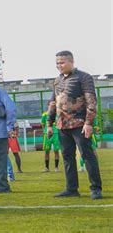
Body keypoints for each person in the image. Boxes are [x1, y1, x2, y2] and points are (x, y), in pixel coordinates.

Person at [47, 50, 102, 199]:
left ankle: (95, 189)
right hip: (62, 126)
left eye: (62, 62)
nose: (59, 65)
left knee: (87, 155)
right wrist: (49, 123)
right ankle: (71, 189)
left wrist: (88, 122)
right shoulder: (57, 80)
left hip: (80, 124)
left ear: (72, 61)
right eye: (57, 63)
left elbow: (91, 100)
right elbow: (53, 102)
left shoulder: (84, 77)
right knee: (67, 156)